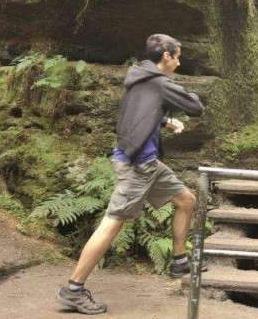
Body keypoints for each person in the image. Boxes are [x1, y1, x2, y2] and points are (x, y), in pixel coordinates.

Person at [56, 34, 204, 315]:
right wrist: (183, 95)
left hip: (146, 162)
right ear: (166, 57)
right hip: (137, 166)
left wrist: (164, 120)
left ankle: (179, 260)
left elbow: (137, 111)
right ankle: (73, 289)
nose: (179, 62)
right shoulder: (159, 82)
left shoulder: (138, 78)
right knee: (113, 223)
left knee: (186, 200)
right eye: (178, 56)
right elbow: (196, 107)